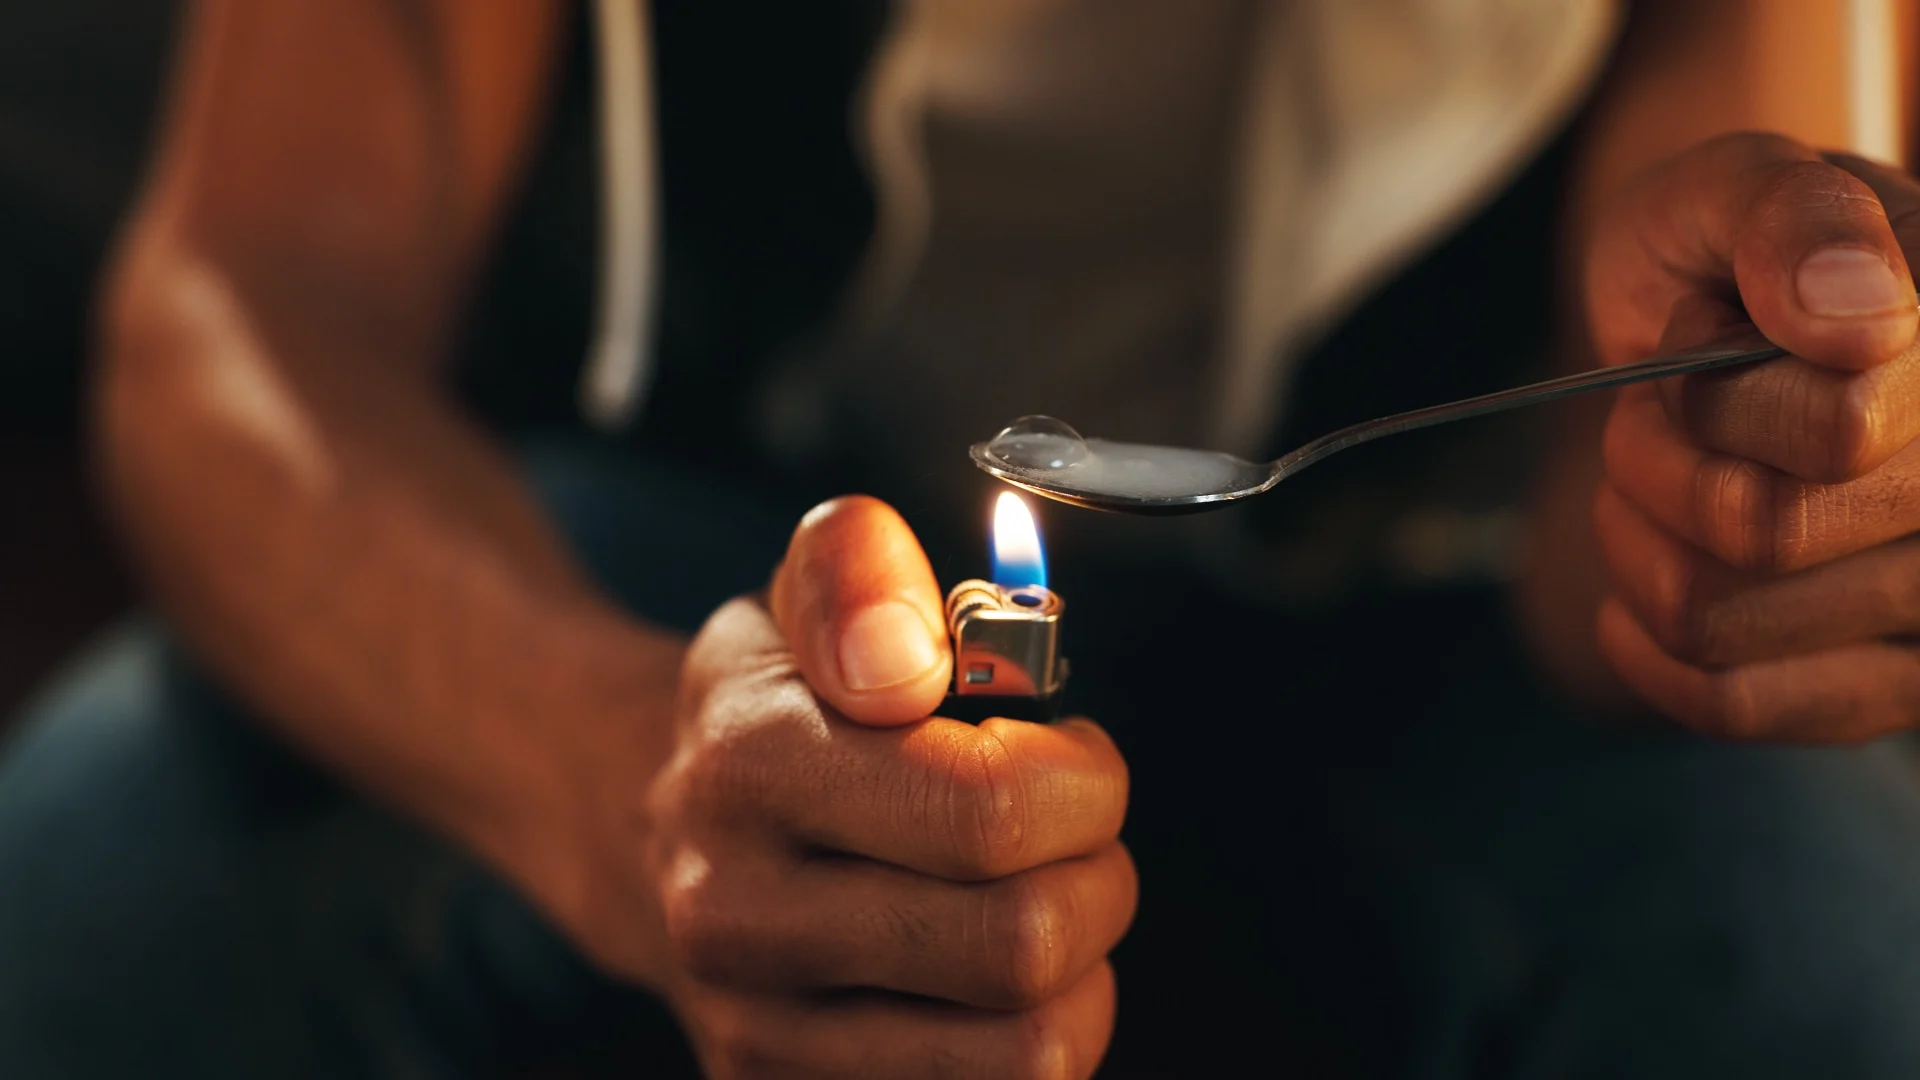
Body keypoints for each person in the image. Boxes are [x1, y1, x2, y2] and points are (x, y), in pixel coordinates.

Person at [6, 0, 1920, 1076]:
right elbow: (239, 314)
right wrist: (628, 781)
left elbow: (1622, 552)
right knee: (90, 924)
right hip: (665, 562)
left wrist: (1733, 519)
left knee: (1846, 962)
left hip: (1425, 622)